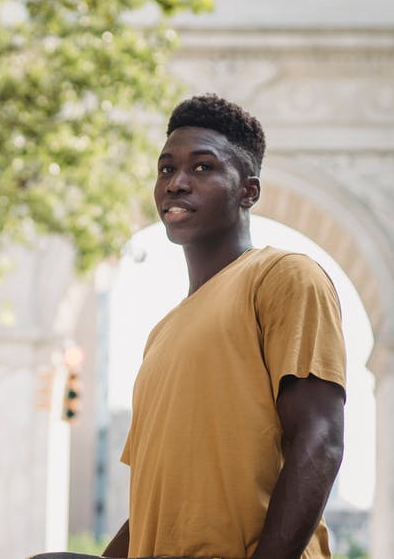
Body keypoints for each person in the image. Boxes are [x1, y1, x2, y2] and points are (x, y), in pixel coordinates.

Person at [103, 95, 346, 559]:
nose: (176, 183)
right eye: (165, 169)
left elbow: (320, 440)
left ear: (247, 191)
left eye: (201, 168)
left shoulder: (284, 277)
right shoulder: (160, 335)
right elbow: (158, 503)